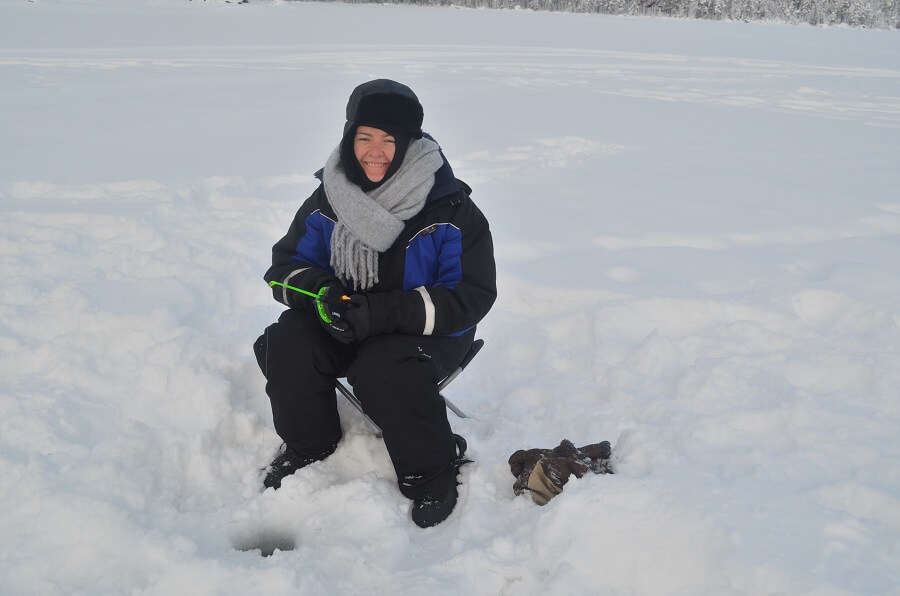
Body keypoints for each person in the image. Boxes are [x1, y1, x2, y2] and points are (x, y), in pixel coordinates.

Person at [253, 79, 496, 528]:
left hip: (427, 333)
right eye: (365, 137)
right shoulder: (328, 198)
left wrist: (384, 313)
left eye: (391, 140)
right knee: (287, 340)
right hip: (348, 320)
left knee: (383, 368)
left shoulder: (452, 209)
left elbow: (471, 295)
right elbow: (284, 270)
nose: (376, 151)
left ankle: (432, 470)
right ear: (349, 138)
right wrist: (325, 297)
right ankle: (310, 444)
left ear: (411, 144)